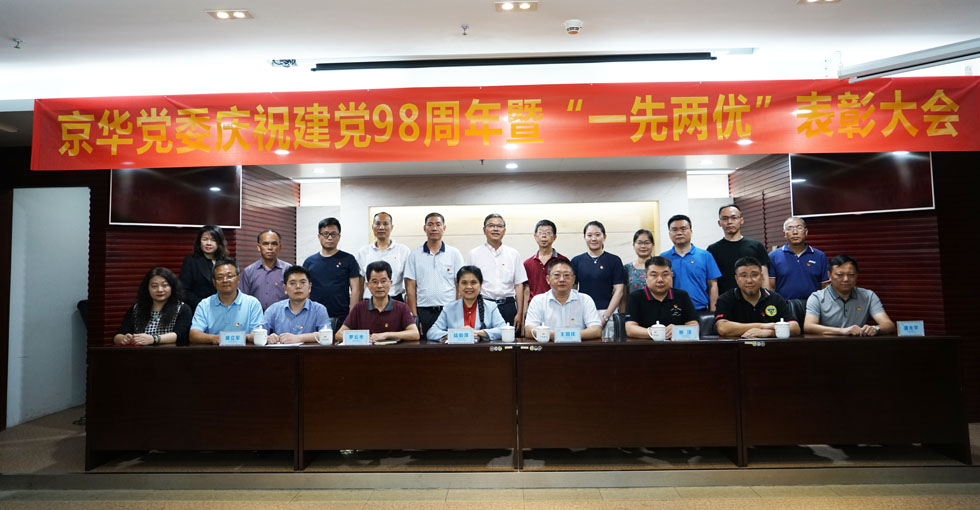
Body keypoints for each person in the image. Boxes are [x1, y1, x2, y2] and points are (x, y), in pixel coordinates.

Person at [404, 212, 465, 338]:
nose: (434, 228)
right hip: (423, 311)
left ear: (444, 228)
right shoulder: (414, 255)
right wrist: (414, 316)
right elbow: (410, 288)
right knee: (425, 345)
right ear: (424, 228)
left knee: (451, 344)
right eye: (430, 225)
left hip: (449, 310)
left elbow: (460, 286)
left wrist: (458, 311)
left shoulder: (454, 253)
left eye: (438, 224)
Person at [804, 254, 897, 336]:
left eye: (851, 274)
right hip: (827, 345)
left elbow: (889, 325)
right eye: (840, 275)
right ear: (829, 275)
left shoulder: (869, 296)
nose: (846, 279)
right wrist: (842, 331)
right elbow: (808, 326)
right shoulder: (817, 297)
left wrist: (876, 329)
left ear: (857, 275)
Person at [466, 214, 528, 329]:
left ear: (504, 230)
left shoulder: (513, 254)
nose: (495, 229)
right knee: (482, 338)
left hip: (508, 306)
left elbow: (519, 285)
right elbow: (467, 285)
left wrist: (519, 313)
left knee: (508, 339)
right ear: (484, 230)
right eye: (491, 226)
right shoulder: (473, 254)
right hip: (483, 306)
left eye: (499, 226)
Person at [715, 257, 800, 338]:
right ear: (736, 279)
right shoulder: (725, 299)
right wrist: (764, 326)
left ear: (762, 277)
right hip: (737, 347)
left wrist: (770, 333)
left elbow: (795, 328)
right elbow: (722, 328)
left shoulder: (775, 298)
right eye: (744, 276)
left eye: (754, 275)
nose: (749, 281)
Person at [337, 261, 420, 344]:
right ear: (368, 285)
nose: (379, 286)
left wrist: (386, 335)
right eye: (374, 282)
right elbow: (339, 335)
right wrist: (364, 338)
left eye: (383, 281)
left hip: (392, 351)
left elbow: (415, 334)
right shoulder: (359, 308)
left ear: (390, 283)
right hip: (366, 351)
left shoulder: (402, 307)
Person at [303, 217, 362, 330]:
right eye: (326, 234)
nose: (330, 238)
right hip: (315, 316)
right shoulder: (309, 262)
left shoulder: (348, 259)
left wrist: (351, 316)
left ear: (339, 237)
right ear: (319, 236)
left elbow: (355, 289)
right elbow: (306, 290)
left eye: (333, 234)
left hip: (342, 316)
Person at [189, 258, 264, 345]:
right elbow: (193, 335)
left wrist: (228, 338)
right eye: (220, 277)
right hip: (214, 351)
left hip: (245, 351)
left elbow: (257, 334)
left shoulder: (252, 304)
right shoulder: (204, 305)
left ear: (238, 278)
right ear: (214, 282)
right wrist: (215, 338)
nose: (225, 280)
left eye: (230, 276)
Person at [525, 259, 602, 341]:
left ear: (573, 279)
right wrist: (558, 335)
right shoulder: (538, 301)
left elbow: (596, 330)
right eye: (557, 275)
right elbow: (529, 330)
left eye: (566, 275)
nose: (562, 279)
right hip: (548, 347)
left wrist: (564, 335)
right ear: (548, 279)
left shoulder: (585, 300)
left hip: (577, 347)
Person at [114, 267, 192, 346]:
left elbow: (180, 335)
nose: (160, 290)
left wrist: (154, 339)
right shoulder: (136, 309)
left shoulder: (182, 309)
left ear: (172, 287)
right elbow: (118, 336)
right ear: (147, 288)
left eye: (164, 285)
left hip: (170, 352)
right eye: (154, 286)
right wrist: (123, 338)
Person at [427, 265, 508, 342]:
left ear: (480, 285)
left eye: (473, 282)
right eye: (464, 283)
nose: (469, 286)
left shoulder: (491, 307)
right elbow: (431, 332)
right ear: (458, 285)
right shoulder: (449, 308)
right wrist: (455, 335)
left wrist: (477, 332)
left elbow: (504, 330)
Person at [624, 257, 698, 340]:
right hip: (645, 345)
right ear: (646, 277)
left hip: (676, 346)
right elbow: (630, 329)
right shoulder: (635, 297)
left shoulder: (682, 296)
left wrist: (677, 330)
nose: (660, 280)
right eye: (654, 275)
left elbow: (694, 326)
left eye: (665, 275)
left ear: (671, 275)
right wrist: (656, 333)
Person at [570, 220, 625, 331]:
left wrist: (605, 317)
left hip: (608, 312)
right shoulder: (576, 261)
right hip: (582, 312)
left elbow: (619, 291)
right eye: (589, 235)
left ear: (604, 237)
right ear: (584, 237)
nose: (593, 239)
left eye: (597, 235)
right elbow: (572, 290)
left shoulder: (614, 260)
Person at [660, 214, 721, 312]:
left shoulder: (705, 256)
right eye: (674, 230)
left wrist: (714, 312)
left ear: (691, 232)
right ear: (669, 234)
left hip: (700, 310)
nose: (679, 233)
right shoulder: (663, 258)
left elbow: (713, 285)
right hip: (671, 310)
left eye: (683, 229)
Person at [708, 204, 772, 294]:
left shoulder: (756, 246)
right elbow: (712, 283)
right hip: (726, 300)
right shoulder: (713, 250)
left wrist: (766, 299)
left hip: (753, 298)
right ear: (719, 223)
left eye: (734, 218)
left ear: (741, 220)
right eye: (725, 219)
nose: (729, 222)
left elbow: (764, 277)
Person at [261, 266, 330, 344]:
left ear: (309, 287)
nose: (298, 286)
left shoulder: (319, 309)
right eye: (292, 283)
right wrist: (267, 338)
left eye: (303, 282)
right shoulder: (273, 309)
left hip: (309, 351)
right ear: (285, 289)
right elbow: (256, 332)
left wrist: (298, 338)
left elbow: (327, 335)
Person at [768, 217, 830, 300]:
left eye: (799, 228)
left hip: (813, 306)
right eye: (789, 228)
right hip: (784, 306)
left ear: (806, 231)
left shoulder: (820, 256)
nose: (795, 232)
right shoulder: (773, 256)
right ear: (784, 233)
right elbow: (771, 288)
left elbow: (825, 286)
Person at [356, 211, 411, 301]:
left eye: (385, 224)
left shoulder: (403, 251)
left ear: (391, 227)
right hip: (369, 301)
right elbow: (360, 283)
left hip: (395, 300)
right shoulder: (363, 252)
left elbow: (409, 282)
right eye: (377, 224)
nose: (381, 227)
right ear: (372, 227)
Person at [238, 229, 292, 311]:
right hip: (256, 317)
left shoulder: (288, 270)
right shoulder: (248, 272)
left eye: (274, 244)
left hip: (282, 317)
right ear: (258, 247)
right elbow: (243, 300)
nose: (270, 248)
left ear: (280, 247)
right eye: (265, 244)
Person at [179, 224, 229, 310]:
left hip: (224, 308)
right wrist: (204, 305)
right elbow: (184, 290)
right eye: (205, 239)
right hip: (199, 308)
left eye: (213, 240)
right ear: (199, 241)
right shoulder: (190, 261)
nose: (208, 243)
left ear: (219, 242)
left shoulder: (227, 261)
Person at [523, 219, 568, 302]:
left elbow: (567, 287)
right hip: (534, 306)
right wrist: (524, 310)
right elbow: (526, 290)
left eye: (548, 233)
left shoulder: (563, 261)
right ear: (535, 236)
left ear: (554, 237)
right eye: (540, 232)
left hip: (557, 305)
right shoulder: (527, 264)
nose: (544, 236)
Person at [620, 228, 654, 312]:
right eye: (639, 243)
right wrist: (624, 315)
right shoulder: (627, 268)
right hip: (633, 311)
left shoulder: (659, 267)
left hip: (656, 310)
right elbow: (623, 298)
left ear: (653, 245)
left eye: (647, 243)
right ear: (633, 245)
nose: (643, 246)